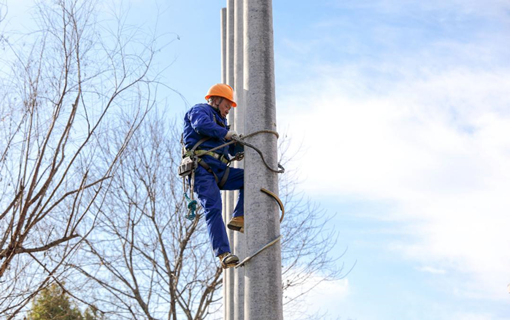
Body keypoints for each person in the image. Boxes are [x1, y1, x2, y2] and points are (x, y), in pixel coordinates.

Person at [182, 83, 245, 269]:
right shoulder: (200, 110)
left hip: (219, 169)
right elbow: (201, 126)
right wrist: (226, 133)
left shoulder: (221, 123)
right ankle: (223, 254)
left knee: (249, 178)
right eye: (226, 106)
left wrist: (237, 145)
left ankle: (239, 216)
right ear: (216, 100)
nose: (227, 111)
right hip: (202, 169)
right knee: (214, 208)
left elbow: (225, 143)